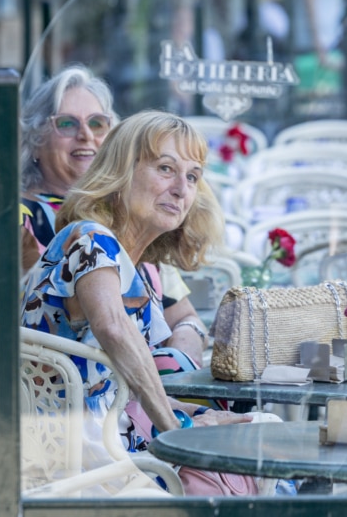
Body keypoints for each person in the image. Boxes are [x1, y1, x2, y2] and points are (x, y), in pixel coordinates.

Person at [20, 111, 251, 491]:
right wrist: (176, 429)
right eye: (165, 168)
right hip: (69, 465)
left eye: (192, 176)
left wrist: (190, 415)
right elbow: (113, 328)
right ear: (121, 171)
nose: (182, 189)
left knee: (251, 433)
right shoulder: (90, 239)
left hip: (96, 444)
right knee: (243, 466)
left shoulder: (134, 266)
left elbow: (112, 393)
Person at [0, 67, 209, 365]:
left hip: (139, 395)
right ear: (35, 140)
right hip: (49, 397)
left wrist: (177, 363)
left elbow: (185, 317)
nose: (86, 135)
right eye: (66, 124)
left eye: (98, 123)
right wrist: (46, 365)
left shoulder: (133, 214)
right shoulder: (12, 213)